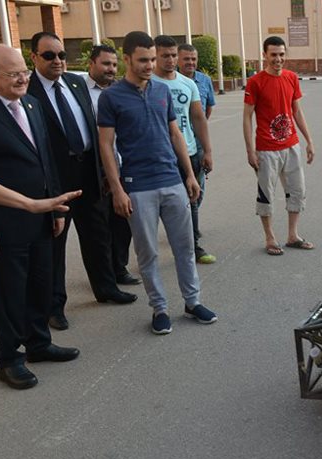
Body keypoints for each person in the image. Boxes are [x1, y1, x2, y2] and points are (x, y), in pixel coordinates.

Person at [0, 44, 81, 390]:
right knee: (10, 292)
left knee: (42, 284)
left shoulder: (32, 104)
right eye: (14, 74)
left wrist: (54, 209)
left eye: (24, 71)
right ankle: (9, 357)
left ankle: (38, 343)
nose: (24, 78)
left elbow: (45, 160)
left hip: (40, 216)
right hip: (2, 224)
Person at [97, 31, 218, 335]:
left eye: (153, 59)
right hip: (138, 187)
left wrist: (189, 174)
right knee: (148, 254)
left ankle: (192, 302)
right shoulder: (111, 97)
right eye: (143, 60)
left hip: (172, 180)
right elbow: (106, 146)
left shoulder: (161, 91)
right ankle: (159, 308)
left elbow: (176, 134)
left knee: (185, 247)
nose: (150, 65)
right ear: (126, 59)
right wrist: (118, 189)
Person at [28, 32, 136, 332]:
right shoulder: (28, 90)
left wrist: (103, 172)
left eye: (61, 55)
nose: (58, 61)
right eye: (49, 56)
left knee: (98, 235)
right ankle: (54, 307)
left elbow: (94, 129)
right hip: (55, 181)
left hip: (88, 172)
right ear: (34, 57)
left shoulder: (75, 83)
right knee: (55, 246)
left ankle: (106, 288)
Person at [242, 36, 317, 256]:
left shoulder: (292, 78)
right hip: (266, 149)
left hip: (291, 146)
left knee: (297, 191)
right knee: (266, 194)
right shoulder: (255, 82)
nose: (278, 59)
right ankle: (270, 238)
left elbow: (297, 111)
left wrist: (309, 141)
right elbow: (247, 117)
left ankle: (293, 235)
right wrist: (250, 150)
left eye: (282, 54)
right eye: (273, 54)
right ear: (264, 55)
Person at [85, 44, 141, 287]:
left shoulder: (121, 91)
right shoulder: (81, 92)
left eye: (114, 64)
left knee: (122, 222)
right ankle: (104, 276)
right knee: (98, 228)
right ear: (91, 63)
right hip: (93, 168)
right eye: (105, 63)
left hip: (122, 165)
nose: (111, 69)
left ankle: (119, 268)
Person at [177, 42, 218, 265]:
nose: (191, 63)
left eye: (194, 59)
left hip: (196, 144)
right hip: (173, 147)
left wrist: (204, 144)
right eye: (186, 59)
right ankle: (187, 234)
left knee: (197, 190)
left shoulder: (203, 81)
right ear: (177, 60)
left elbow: (206, 111)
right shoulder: (168, 82)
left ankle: (190, 228)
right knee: (182, 196)